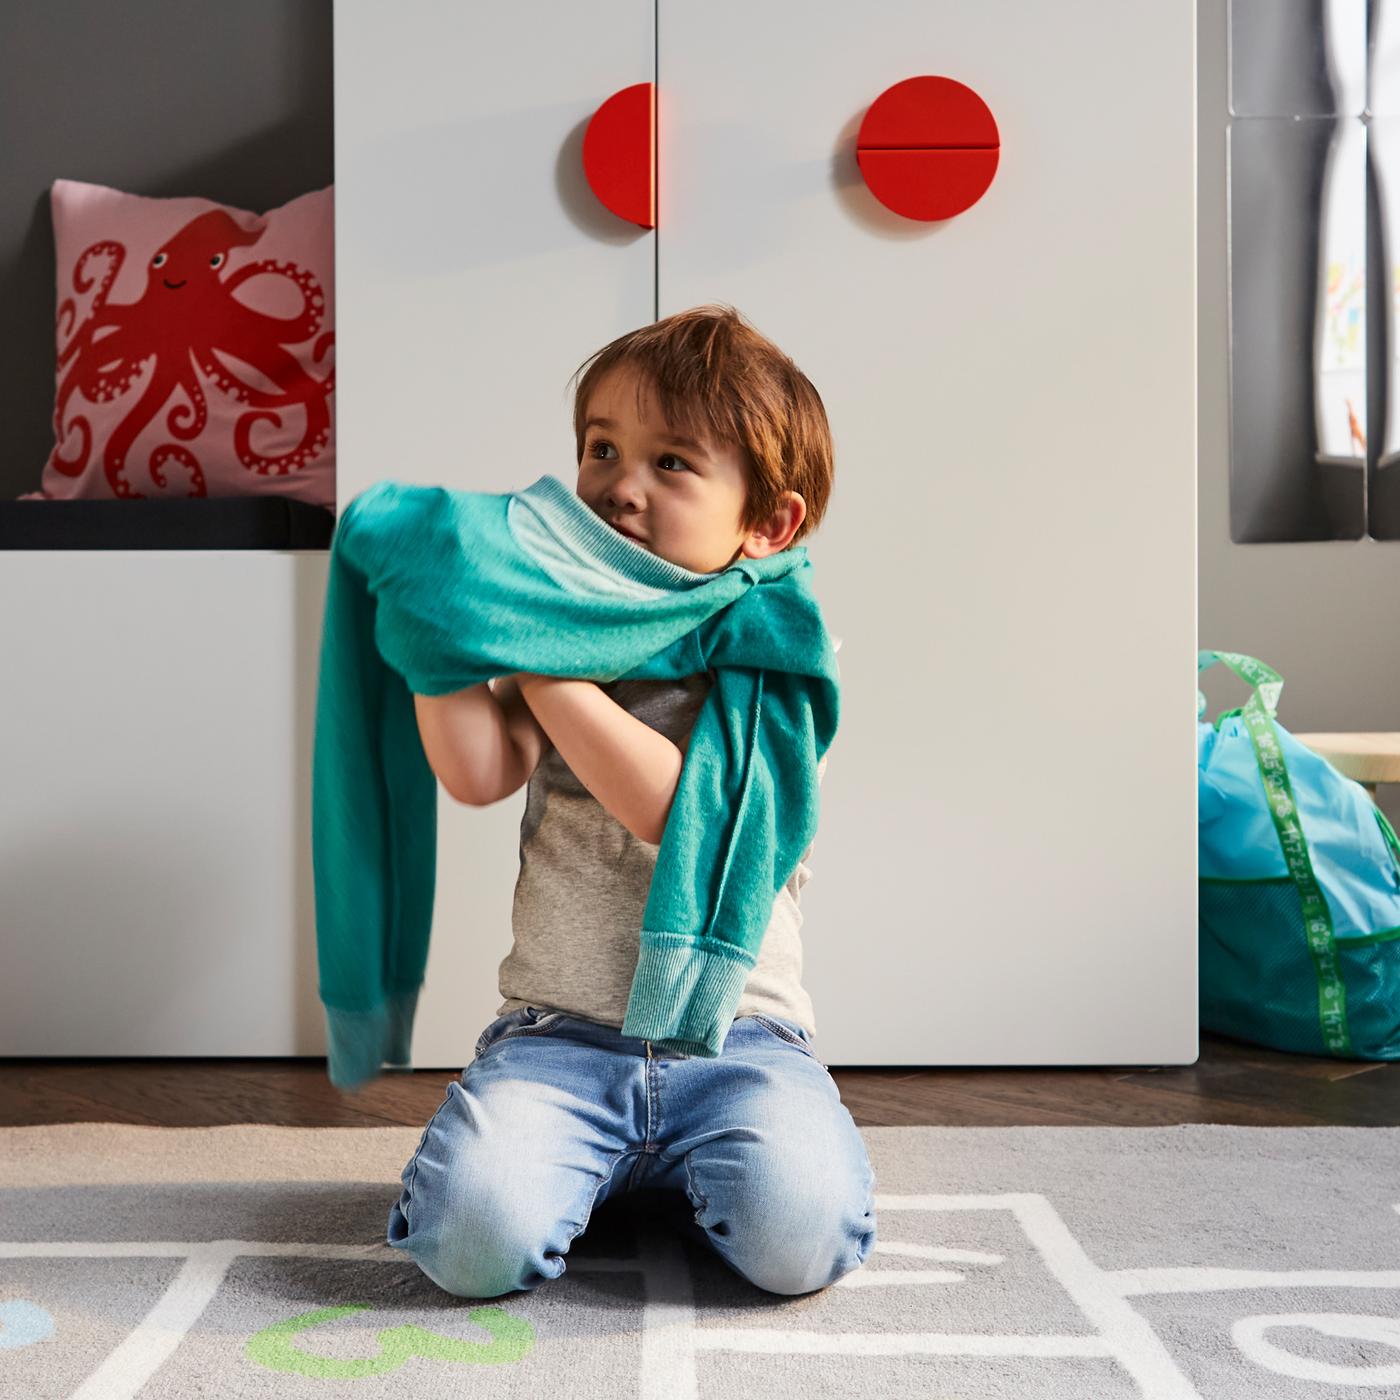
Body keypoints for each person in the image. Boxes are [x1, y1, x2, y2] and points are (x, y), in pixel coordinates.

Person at [387, 304, 875, 1298]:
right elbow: (479, 772)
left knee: (798, 1242)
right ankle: (592, 1165)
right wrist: (432, 644)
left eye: (671, 463)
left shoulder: (782, 664)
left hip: (740, 1042)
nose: (619, 485)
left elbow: (679, 810)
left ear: (766, 523)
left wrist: (537, 664)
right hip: (558, 1037)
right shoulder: (561, 630)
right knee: (469, 1243)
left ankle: (676, 1170)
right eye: (602, 448)